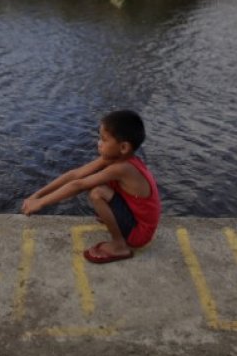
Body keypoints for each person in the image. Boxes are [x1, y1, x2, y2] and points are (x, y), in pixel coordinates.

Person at [22, 110, 161, 264]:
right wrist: (37, 195)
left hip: (139, 233)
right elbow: (75, 175)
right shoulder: (113, 158)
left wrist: (40, 203)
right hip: (134, 218)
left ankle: (119, 246)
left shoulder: (123, 168)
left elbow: (78, 185)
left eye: (104, 139)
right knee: (98, 184)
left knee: (97, 192)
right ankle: (116, 224)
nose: (98, 143)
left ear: (123, 147)